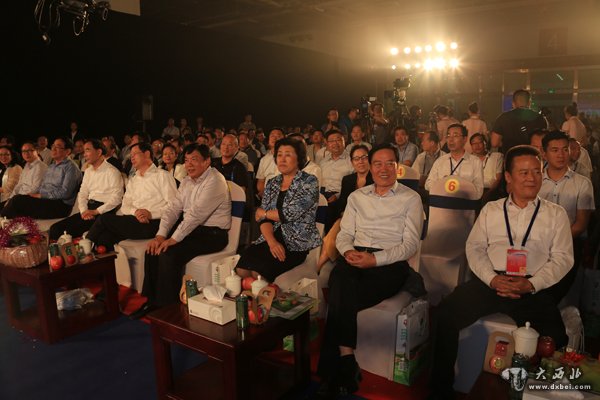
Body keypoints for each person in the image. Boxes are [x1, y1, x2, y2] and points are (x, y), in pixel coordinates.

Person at [429, 145, 573, 400]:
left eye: (536, 172)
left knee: (556, 337)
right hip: (490, 282)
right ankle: (441, 391)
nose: (531, 178)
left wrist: (532, 284)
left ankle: (535, 393)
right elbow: (475, 248)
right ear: (508, 176)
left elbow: (563, 258)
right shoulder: (491, 210)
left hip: (531, 288)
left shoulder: (556, 214)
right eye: (524, 172)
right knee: (444, 316)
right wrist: (492, 279)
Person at [315, 143, 423, 398]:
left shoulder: (411, 198)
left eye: (389, 163)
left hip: (390, 263)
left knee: (340, 296)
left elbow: (410, 245)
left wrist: (375, 260)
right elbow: (344, 234)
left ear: (397, 167)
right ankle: (346, 361)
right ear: (370, 167)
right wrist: (347, 251)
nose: (383, 169)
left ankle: (334, 371)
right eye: (378, 163)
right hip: (355, 256)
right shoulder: (357, 197)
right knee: (339, 276)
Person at [129, 144, 232, 319]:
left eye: (194, 160)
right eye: (186, 160)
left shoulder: (215, 181)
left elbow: (195, 216)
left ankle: (168, 308)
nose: (189, 164)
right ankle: (151, 301)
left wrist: (172, 240)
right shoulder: (186, 181)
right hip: (194, 230)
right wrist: (160, 236)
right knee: (152, 249)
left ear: (207, 161)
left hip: (214, 234)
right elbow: (172, 209)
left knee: (168, 253)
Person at [235, 137, 321, 283]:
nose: (282, 159)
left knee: (258, 273)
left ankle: (267, 297)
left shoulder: (309, 181)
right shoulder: (272, 183)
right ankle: (252, 297)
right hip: (271, 236)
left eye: (288, 155)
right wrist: (272, 242)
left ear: (298, 158)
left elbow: (290, 213)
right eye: (279, 155)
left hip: (296, 242)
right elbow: (263, 219)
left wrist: (264, 212)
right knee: (241, 269)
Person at [86, 142, 178, 251]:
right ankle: (93, 258)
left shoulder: (163, 176)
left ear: (147, 154)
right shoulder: (134, 180)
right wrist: (136, 212)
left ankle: (83, 247)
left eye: (135, 154)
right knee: (104, 238)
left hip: (154, 223)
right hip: (134, 220)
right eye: (131, 155)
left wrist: (151, 214)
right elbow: (125, 205)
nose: (131, 158)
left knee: (104, 218)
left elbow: (174, 207)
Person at [539, 131, 594, 302]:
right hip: (536, 244)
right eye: (554, 150)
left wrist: (556, 242)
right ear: (544, 153)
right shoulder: (535, 181)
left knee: (563, 296)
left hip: (570, 244)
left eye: (565, 149)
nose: (561, 155)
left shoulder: (582, 183)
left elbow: (581, 223)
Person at [49, 139, 123, 240]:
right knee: (55, 228)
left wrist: (96, 211)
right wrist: (84, 211)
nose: (84, 154)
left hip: (103, 212)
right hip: (88, 208)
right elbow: (82, 193)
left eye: (87, 150)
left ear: (99, 152)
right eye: (84, 151)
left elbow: (117, 198)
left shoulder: (112, 172)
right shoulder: (88, 171)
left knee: (68, 233)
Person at [316, 144, 373, 272]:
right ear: (352, 162)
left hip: (367, 219)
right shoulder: (348, 179)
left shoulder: (376, 179)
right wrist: (344, 215)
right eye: (356, 158)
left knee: (334, 232)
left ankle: (320, 263)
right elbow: (343, 202)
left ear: (370, 159)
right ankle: (322, 262)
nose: (360, 161)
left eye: (364, 157)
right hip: (347, 217)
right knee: (334, 229)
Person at [2, 137, 82, 219]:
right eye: (53, 146)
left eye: (57, 147)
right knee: (11, 202)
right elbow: (43, 185)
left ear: (67, 151)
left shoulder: (71, 168)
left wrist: (41, 195)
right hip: (46, 200)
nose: (53, 149)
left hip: (60, 205)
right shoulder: (52, 166)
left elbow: (65, 193)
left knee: (17, 201)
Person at [425, 124, 484, 199]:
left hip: (465, 203)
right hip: (442, 202)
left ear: (465, 139)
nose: (451, 139)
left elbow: (478, 192)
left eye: (455, 135)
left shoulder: (475, 162)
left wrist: (460, 187)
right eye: (448, 136)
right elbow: (428, 184)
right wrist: (443, 185)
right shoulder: (440, 161)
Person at [319, 130, 354, 231]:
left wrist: (337, 196)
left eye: (338, 140)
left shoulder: (351, 160)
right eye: (331, 141)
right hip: (323, 197)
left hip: (342, 198)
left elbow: (354, 183)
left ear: (344, 141)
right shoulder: (323, 161)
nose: (335, 143)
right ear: (327, 143)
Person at [256, 128, 285, 197]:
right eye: (272, 136)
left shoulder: (289, 157)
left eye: (278, 136)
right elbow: (261, 181)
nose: (274, 138)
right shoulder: (264, 159)